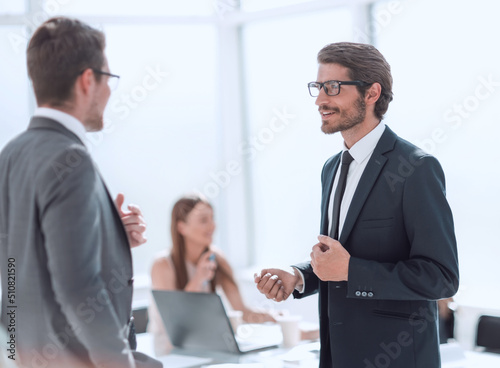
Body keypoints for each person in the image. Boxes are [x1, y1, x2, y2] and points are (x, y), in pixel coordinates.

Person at [254, 42, 459, 368]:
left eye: (333, 87)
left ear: (371, 93)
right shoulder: (331, 169)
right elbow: (338, 260)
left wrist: (351, 270)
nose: (321, 99)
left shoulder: (415, 168)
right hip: (338, 357)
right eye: (318, 87)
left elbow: (441, 278)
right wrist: (300, 276)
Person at [0, 17, 161, 368]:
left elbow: (15, 265)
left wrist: (105, 236)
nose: (108, 92)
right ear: (88, 80)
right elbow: (79, 290)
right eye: (109, 79)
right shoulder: (71, 158)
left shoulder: (11, 153)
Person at [149, 195, 275, 356]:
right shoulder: (162, 265)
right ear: (182, 228)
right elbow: (176, 323)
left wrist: (270, 317)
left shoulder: (218, 259)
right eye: (203, 220)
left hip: (204, 347)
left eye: (212, 218)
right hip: (169, 351)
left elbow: (241, 311)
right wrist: (198, 279)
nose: (212, 226)